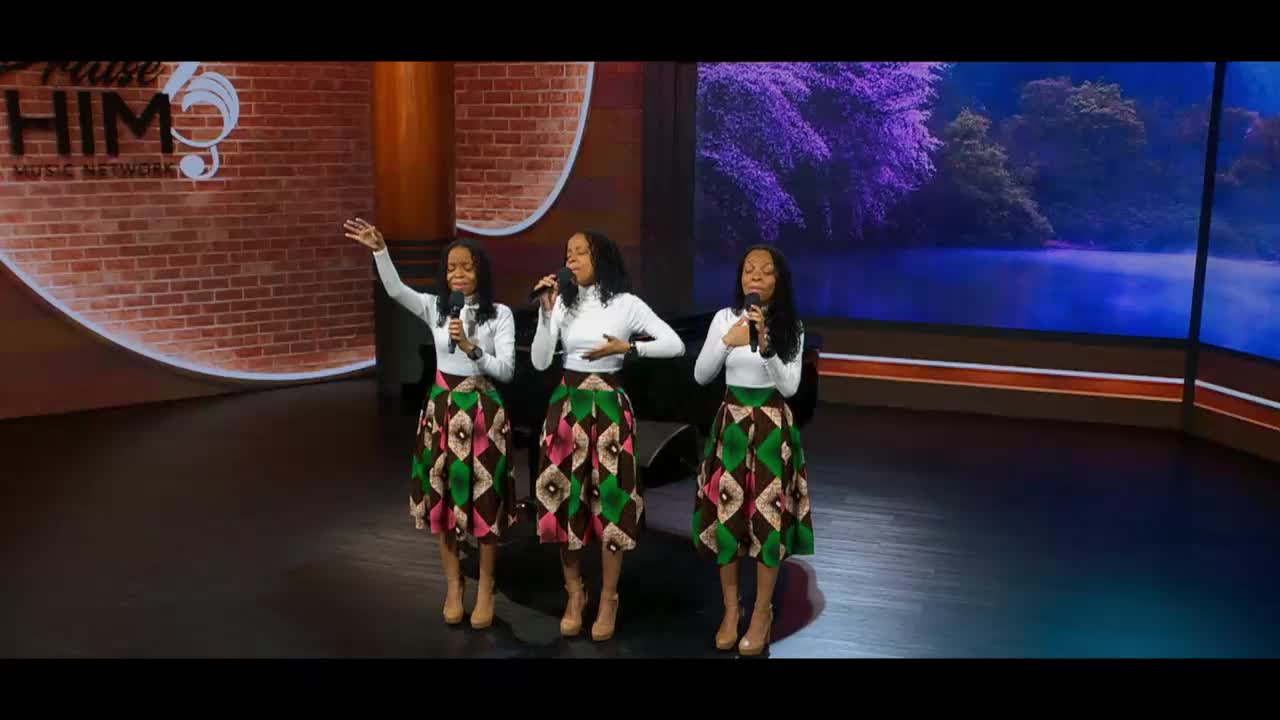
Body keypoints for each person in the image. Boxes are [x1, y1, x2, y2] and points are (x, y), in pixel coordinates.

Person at [344, 218, 517, 630]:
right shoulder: (437, 307)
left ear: (482, 272)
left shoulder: (500, 315)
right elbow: (395, 290)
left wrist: (471, 347)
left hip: (482, 412)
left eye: (466, 267)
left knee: (484, 500)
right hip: (442, 411)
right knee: (445, 499)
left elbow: (507, 371)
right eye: (452, 268)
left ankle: (487, 587)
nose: (457, 274)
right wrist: (379, 250)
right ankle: (454, 585)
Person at [529, 230, 685, 641]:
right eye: (568, 252)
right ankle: (575, 594)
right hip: (567, 408)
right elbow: (541, 359)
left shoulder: (625, 304)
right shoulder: (562, 302)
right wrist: (546, 314)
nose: (573, 258)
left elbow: (675, 344)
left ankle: (609, 597)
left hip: (610, 412)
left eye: (582, 252)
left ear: (602, 258)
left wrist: (629, 348)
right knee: (567, 504)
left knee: (611, 508)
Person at [691, 244, 813, 656]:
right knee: (727, 519)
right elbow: (701, 374)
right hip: (731, 428)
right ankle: (731, 610)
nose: (755, 276)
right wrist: (729, 340)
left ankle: (762, 613)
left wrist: (765, 344)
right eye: (748, 269)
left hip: (771, 429)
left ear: (779, 280)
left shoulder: (790, 326)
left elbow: (791, 387)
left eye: (765, 270)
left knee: (766, 525)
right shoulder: (725, 318)